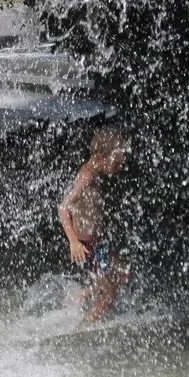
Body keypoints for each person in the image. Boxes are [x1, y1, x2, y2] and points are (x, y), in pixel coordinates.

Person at [58, 129, 129, 322]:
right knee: (109, 293)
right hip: (85, 246)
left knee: (123, 273)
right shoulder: (86, 176)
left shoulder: (95, 174)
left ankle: (84, 294)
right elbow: (63, 208)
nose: (120, 165)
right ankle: (85, 328)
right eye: (116, 160)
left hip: (97, 243)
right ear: (99, 157)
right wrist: (73, 242)